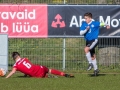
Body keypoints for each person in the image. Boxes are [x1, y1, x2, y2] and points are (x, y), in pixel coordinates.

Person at [6, 52, 74, 78]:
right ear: (19, 56)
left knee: (43, 76)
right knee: (49, 70)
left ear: (14, 58)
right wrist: (25, 75)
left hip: (36, 74)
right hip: (39, 67)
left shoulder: (16, 65)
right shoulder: (24, 59)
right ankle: (63, 74)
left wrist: (6, 77)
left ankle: (49, 77)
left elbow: (13, 71)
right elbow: (27, 67)